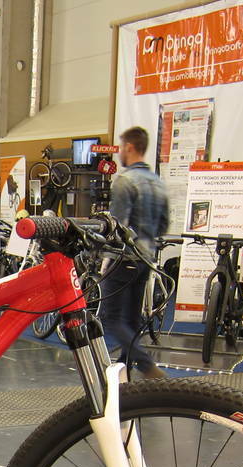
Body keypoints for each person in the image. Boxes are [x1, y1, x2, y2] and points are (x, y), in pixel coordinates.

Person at [102, 126, 169, 379]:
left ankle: (146, 365)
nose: (119, 152)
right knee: (131, 319)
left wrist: (103, 253)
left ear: (129, 147)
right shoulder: (158, 183)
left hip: (124, 257)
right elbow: (163, 225)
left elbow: (117, 226)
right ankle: (124, 373)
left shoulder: (125, 181)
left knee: (111, 317)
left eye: (121, 147)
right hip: (146, 259)